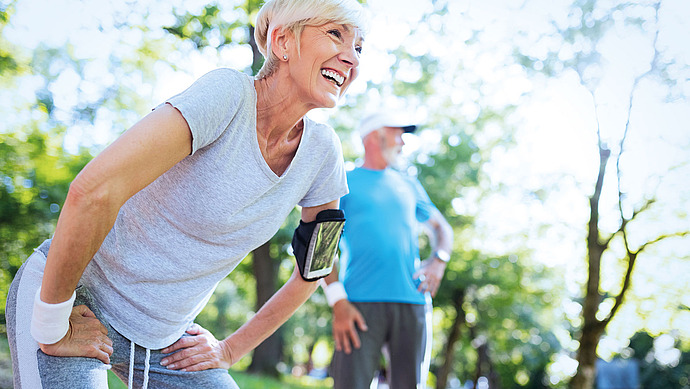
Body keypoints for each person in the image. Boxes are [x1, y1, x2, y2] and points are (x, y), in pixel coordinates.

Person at [6, 0, 367, 387]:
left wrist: (230, 349)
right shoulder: (228, 95)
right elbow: (95, 191)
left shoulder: (323, 155)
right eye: (335, 35)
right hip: (75, 302)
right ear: (283, 40)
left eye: (360, 48)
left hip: (166, 341)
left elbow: (315, 267)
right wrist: (51, 323)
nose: (352, 59)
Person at [321, 111, 454, 388]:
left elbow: (442, 229)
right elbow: (321, 245)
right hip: (358, 305)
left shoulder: (408, 183)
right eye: (398, 134)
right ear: (375, 135)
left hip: (413, 301)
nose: (403, 143)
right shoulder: (342, 181)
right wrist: (338, 301)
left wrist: (438, 260)